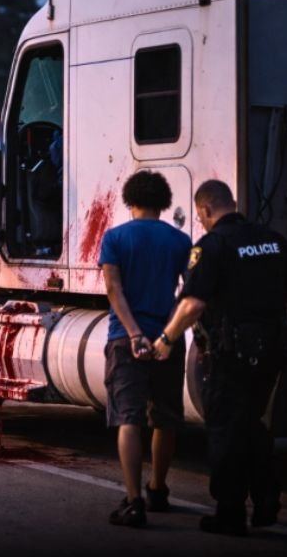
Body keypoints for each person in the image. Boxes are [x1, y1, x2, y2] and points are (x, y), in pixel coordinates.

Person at [153, 179, 287, 536]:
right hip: (271, 350)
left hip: (231, 352)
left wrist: (166, 339)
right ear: (233, 202)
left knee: (224, 430)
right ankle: (266, 500)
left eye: (200, 216)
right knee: (251, 423)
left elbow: (193, 303)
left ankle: (230, 512)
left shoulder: (212, 246)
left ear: (204, 209)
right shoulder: (274, 241)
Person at [98, 170, 192, 528]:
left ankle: (133, 500)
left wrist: (135, 333)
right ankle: (158, 489)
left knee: (129, 418)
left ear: (130, 200)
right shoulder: (180, 241)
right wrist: (166, 333)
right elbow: (188, 292)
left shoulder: (116, 238)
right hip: (167, 340)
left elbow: (113, 289)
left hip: (125, 339)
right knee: (165, 418)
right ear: (163, 202)